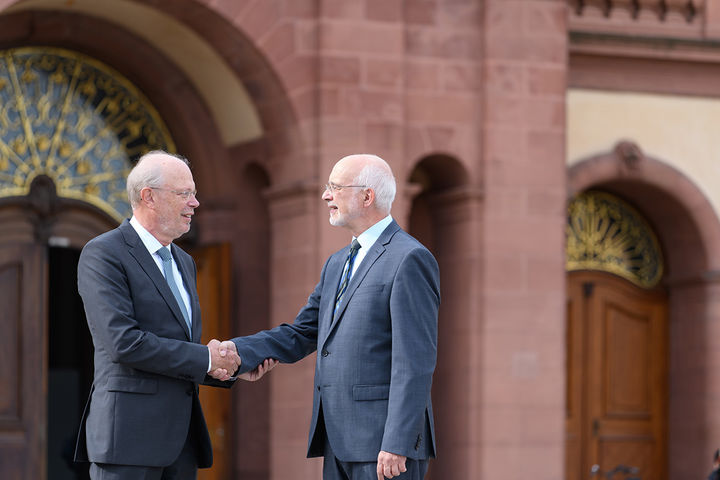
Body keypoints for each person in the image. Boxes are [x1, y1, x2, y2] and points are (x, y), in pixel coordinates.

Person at [226, 154, 440, 480]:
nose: (326, 196)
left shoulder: (409, 258)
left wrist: (398, 442)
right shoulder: (337, 263)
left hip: (384, 447)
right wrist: (239, 354)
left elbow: (415, 361)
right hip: (338, 442)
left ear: (367, 196)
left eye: (335, 187)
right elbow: (302, 332)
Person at [73, 150, 274, 479]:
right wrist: (208, 359)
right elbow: (124, 343)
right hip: (128, 442)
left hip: (181, 445)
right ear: (148, 197)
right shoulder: (103, 253)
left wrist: (227, 368)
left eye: (194, 194)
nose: (195, 203)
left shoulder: (185, 261)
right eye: (185, 194)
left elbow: (179, 348)